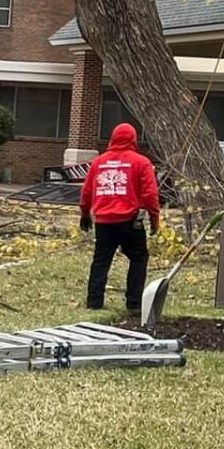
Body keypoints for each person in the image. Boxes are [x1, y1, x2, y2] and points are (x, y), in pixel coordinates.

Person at [80, 123, 161, 313]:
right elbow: (150, 195)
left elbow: (86, 192)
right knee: (139, 258)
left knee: (101, 260)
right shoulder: (141, 162)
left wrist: (85, 215)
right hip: (131, 221)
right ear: (133, 139)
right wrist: (154, 220)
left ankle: (94, 301)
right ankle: (134, 303)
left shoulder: (98, 162)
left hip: (104, 222)